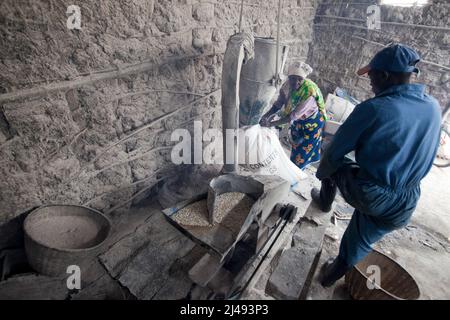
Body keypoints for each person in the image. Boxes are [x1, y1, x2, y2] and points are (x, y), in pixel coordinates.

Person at [312, 44, 442, 287]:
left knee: (331, 160)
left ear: (384, 75)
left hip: (373, 194)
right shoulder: (433, 106)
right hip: (407, 200)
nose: (369, 83)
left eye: (371, 76)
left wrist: (324, 173)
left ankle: (325, 201)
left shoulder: (373, 109)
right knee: (361, 235)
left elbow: (334, 152)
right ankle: (334, 273)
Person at [260, 61, 327, 170]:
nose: (296, 82)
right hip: (299, 121)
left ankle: (295, 175)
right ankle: (293, 169)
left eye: (300, 79)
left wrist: (270, 124)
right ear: (289, 78)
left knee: (303, 153)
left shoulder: (309, 93)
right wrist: (266, 116)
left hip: (312, 123)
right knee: (296, 146)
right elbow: (278, 104)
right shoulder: (286, 86)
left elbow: (292, 116)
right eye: (293, 78)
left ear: (304, 79)